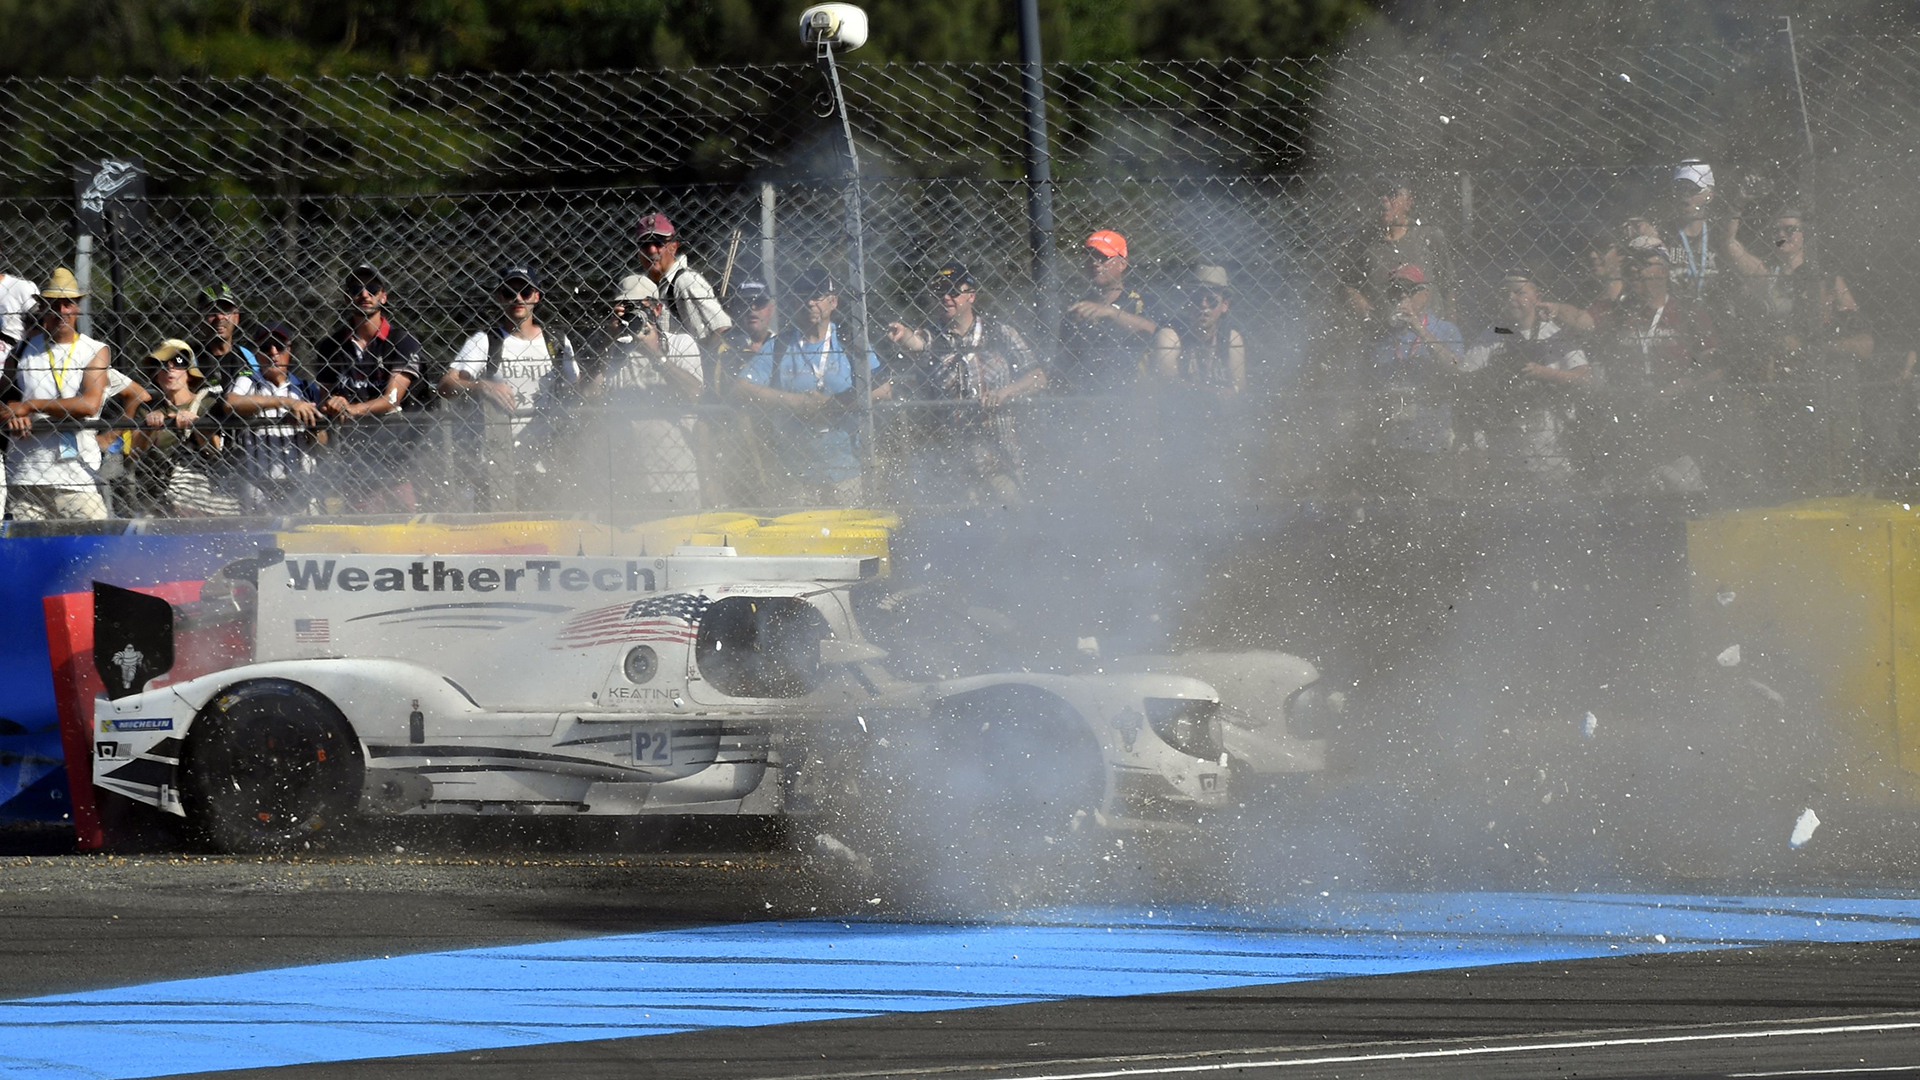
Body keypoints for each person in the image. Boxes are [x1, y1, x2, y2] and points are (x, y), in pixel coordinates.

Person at [885, 262, 1045, 501]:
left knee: (1011, 511)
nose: (946, 297)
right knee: (962, 516)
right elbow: (916, 343)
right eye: (940, 292)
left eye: (953, 291)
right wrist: (903, 335)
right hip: (953, 458)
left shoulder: (1000, 333)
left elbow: (1038, 377)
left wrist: (1005, 392)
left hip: (1000, 452)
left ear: (971, 295)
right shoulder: (934, 336)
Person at [733, 266, 889, 505]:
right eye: (802, 295)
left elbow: (884, 387)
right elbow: (741, 388)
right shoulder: (780, 345)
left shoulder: (850, 342)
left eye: (817, 296)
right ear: (793, 302)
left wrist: (835, 404)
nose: (809, 303)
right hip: (794, 474)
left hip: (847, 471)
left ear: (833, 302)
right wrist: (797, 403)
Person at [1589, 247, 1719, 491]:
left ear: (1663, 271)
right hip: (1630, 416)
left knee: (1684, 488)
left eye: (1644, 264)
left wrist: (1675, 389)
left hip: (1678, 415)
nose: (1636, 270)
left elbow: (1714, 366)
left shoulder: (1687, 310)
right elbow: (1584, 322)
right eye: (1632, 265)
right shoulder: (1620, 311)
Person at [1458, 270, 1593, 486]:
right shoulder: (1493, 335)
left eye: (1519, 292)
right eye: (1505, 293)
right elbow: (1466, 379)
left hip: (1552, 453)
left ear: (1537, 297)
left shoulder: (1554, 333)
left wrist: (1546, 374)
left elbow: (1584, 377)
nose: (1511, 298)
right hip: (1505, 455)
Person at [310, 263, 423, 512]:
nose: (364, 294)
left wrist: (351, 409)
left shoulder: (401, 340)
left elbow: (392, 398)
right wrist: (333, 403)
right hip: (353, 457)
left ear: (383, 296)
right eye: (355, 289)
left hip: (396, 454)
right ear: (346, 297)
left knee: (405, 522)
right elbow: (325, 399)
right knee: (361, 525)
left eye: (372, 288)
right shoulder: (330, 346)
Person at [578, 274, 704, 497]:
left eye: (637, 306)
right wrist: (609, 340)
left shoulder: (680, 343)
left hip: (677, 474)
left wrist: (656, 354)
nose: (631, 313)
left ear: (656, 309)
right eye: (624, 307)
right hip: (626, 480)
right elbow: (588, 393)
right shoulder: (612, 351)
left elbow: (695, 394)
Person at [5, 268, 110, 520]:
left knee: (95, 540)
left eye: (68, 303)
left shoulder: (95, 350)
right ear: (43, 307)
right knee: (28, 545)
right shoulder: (21, 350)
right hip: (25, 476)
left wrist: (30, 406)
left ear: (78, 307)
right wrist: (11, 412)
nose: (61, 310)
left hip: (77, 477)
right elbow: (5, 398)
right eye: (53, 304)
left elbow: (89, 404)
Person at [1366, 264, 1466, 494]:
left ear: (1425, 293)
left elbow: (1456, 368)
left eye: (1409, 290)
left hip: (1432, 441)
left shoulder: (1444, 330)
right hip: (1390, 443)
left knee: (1430, 506)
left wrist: (1418, 329)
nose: (1402, 296)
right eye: (1395, 290)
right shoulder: (1381, 336)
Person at [127, 339, 240, 517]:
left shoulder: (207, 403)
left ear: (189, 373)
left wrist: (197, 424)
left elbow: (214, 450)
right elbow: (134, 453)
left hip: (201, 490)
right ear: (155, 373)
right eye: (163, 364)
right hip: (156, 493)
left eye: (178, 363)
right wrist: (148, 428)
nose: (170, 369)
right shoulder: (147, 407)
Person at [224, 323, 325, 513]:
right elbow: (230, 403)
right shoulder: (248, 381)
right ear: (256, 353)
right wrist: (286, 402)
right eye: (265, 347)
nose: (273, 353)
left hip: (302, 483)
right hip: (259, 484)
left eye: (279, 346)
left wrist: (312, 427)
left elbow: (322, 443)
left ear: (289, 349)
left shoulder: (305, 388)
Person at [1343, 174, 1458, 323]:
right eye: (1378, 193)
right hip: (1386, 330)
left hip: (1430, 328)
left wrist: (1451, 327)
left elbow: (1448, 284)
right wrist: (1367, 311)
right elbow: (1348, 286)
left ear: (1408, 202)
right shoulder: (1364, 243)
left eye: (1392, 194)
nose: (1384, 199)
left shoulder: (1428, 235)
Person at [1058, 230, 1156, 395]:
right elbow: (1063, 360)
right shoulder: (1077, 309)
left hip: (1135, 395)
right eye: (1090, 257)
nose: (1095, 263)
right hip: (1085, 397)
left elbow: (1156, 333)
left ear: (1122, 264)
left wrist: (1111, 312)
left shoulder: (1142, 302)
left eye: (1103, 257)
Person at [636, 212, 732, 355]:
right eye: (645, 244)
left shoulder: (685, 281)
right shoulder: (649, 286)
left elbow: (722, 328)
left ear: (674, 246)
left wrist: (706, 360)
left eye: (659, 242)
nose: (651, 250)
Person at [1151, 265, 1246, 399]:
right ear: (1188, 303)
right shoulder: (1171, 333)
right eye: (1196, 299)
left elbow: (1239, 389)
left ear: (1224, 305)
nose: (1203, 305)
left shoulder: (1230, 336)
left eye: (1211, 300)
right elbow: (1167, 381)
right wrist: (1213, 393)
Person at [194, 284, 262, 390]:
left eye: (225, 310)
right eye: (212, 311)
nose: (219, 317)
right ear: (200, 318)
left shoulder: (247, 356)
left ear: (236, 317)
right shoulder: (191, 357)